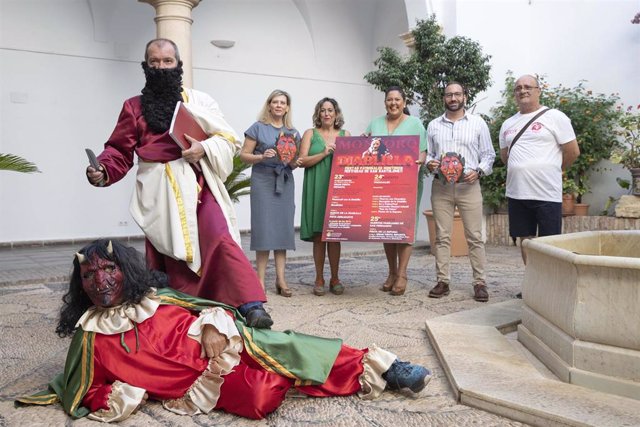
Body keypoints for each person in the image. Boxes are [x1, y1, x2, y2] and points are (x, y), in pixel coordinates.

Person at [16, 239, 432, 422]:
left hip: (223, 344)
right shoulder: (90, 337)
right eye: (89, 274)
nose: (101, 280)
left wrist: (212, 324)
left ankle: (384, 366)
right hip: (202, 381)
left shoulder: (155, 300)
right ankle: (305, 376)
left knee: (282, 346)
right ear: (80, 285)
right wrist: (126, 393)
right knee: (260, 397)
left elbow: (209, 306)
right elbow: (83, 388)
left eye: (109, 269)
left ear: (126, 271)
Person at [84, 39, 272, 328]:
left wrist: (203, 148)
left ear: (178, 65)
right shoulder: (133, 107)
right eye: (154, 62)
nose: (160, 67)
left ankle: (251, 305)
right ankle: (185, 315)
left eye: (167, 61)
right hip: (159, 193)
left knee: (220, 237)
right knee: (171, 257)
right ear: (145, 66)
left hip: (197, 182)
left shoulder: (199, 101)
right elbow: (119, 151)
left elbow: (228, 139)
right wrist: (103, 170)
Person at [499, 74, 580, 296]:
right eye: (518, 88)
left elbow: (572, 151)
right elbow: (506, 156)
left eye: (528, 87)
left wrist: (554, 170)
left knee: (549, 243)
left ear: (538, 90)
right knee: (525, 241)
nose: (523, 90)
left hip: (547, 193)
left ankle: (551, 288)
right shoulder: (508, 124)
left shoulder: (555, 117)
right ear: (514, 93)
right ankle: (534, 285)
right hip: (517, 192)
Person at [425, 82, 496, 302]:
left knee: (475, 236)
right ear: (444, 98)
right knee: (442, 237)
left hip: (469, 186)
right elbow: (428, 154)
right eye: (449, 95)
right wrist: (430, 163)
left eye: (457, 94)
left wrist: (480, 171)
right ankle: (443, 281)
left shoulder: (478, 123)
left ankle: (480, 283)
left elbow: (489, 155)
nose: (453, 98)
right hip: (441, 187)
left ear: (465, 96)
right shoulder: (434, 125)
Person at [365, 86, 427, 296]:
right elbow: (366, 146)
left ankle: (402, 274)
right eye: (389, 99)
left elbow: (423, 151)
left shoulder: (415, 123)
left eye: (397, 99)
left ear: (404, 101)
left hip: (406, 184)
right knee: (386, 228)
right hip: (381, 184)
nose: (393, 103)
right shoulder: (375, 123)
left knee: (404, 229)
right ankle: (391, 272)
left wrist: (420, 160)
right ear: (385, 102)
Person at [240, 90, 300, 297]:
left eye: (282, 103)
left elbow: (292, 162)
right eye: (275, 102)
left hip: (284, 181)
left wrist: (294, 163)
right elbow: (243, 155)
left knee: (282, 230)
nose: (278, 106)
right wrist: (261, 156)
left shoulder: (293, 132)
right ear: (269, 105)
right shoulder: (257, 127)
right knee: (264, 230)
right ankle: (260, 281)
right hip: (263, 181)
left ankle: (281, 280)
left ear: (287, 107)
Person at [298, 97, 351, 296]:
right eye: (323, 110)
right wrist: (324, 153)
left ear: (336, 114)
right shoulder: (310, 134)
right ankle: (319, 277)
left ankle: (335, 277)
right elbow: (301, 161)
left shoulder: (346, 134)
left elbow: (353, 162)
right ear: (318, 114)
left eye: (330, 110)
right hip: (316, 185)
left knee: (335, 236)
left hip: (338, 188)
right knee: (319, 236)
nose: (327, 114)